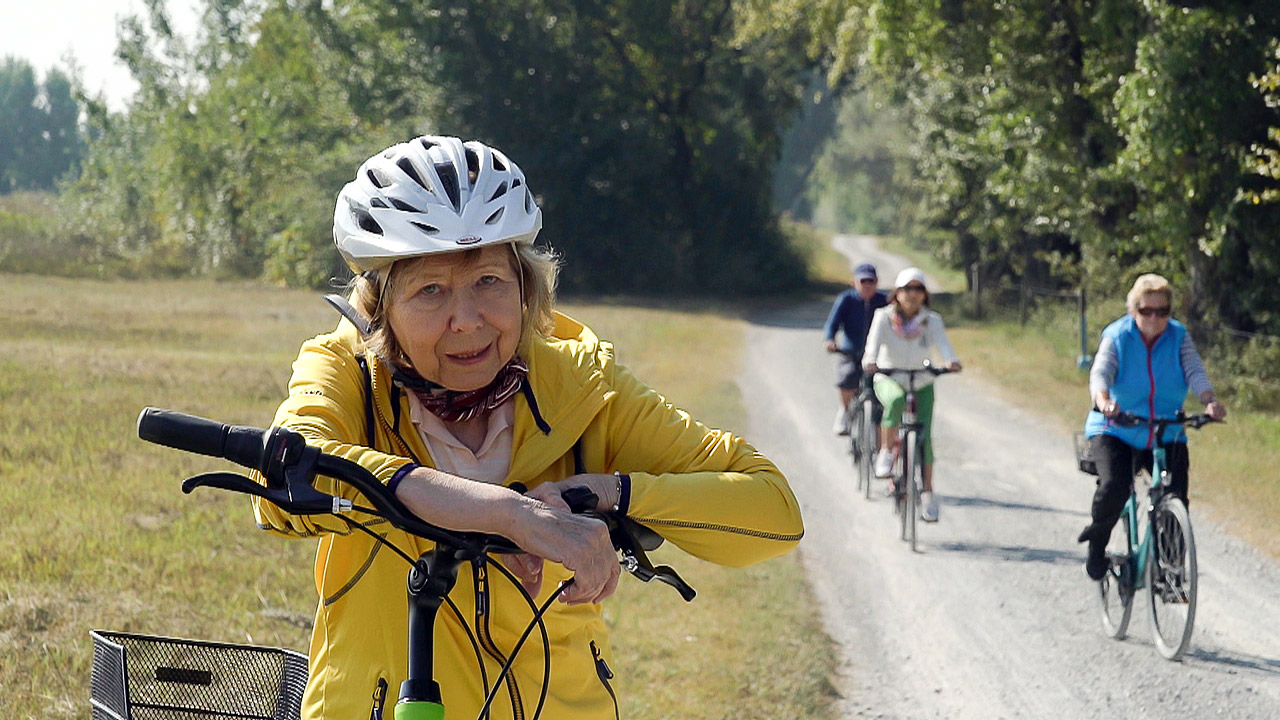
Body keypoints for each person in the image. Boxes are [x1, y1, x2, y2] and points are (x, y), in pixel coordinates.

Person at [251, 136, 805, 719]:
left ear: (526, 285)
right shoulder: (348, 371)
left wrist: (611, 493)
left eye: (489, 281)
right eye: (430, 290)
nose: (467, 321)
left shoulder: (582, 386)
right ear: (379, 305)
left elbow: (773, 512)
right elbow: (286, 476)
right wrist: (509, 514)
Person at [1076, 273, 1225, 581]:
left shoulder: (1178, 336)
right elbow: (1101, 372)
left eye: (1162, 311)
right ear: (1133, 310)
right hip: (1117, 426)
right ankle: (1097, 545)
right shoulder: (1118, 335)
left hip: (1165, 428)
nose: (1155, 318)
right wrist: (1104, 401)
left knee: (1175, 496)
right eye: (1146, 310)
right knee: (1115, 486)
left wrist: (1209, 400)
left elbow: (1194, 370)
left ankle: (1171, 570)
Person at [862, 267, 961, 522]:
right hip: (890, 376)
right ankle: (886, 452)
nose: (912, 294)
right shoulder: (883, 317)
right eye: (907, 289)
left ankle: (927, 492)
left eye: (918, 289)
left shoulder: (932, 320)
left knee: (925, 437)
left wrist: (951, 361)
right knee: (895, 401)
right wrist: (871, 361)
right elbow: (872, 346)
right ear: (897, 292)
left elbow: (944, 346)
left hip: (921, 380)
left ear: (924, 294)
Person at [822, 262, 889, 435]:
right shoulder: (846, 300)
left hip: (878, 354)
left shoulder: (884, 301)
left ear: (877, 283)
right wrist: (830, 340)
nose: (867, 285)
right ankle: (844, 411)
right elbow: (832, 324)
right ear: (854, 283)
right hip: (851, 351)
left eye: (871, 281)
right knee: (847, 377)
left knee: (883, 386)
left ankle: (882, 428)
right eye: (863, 281)